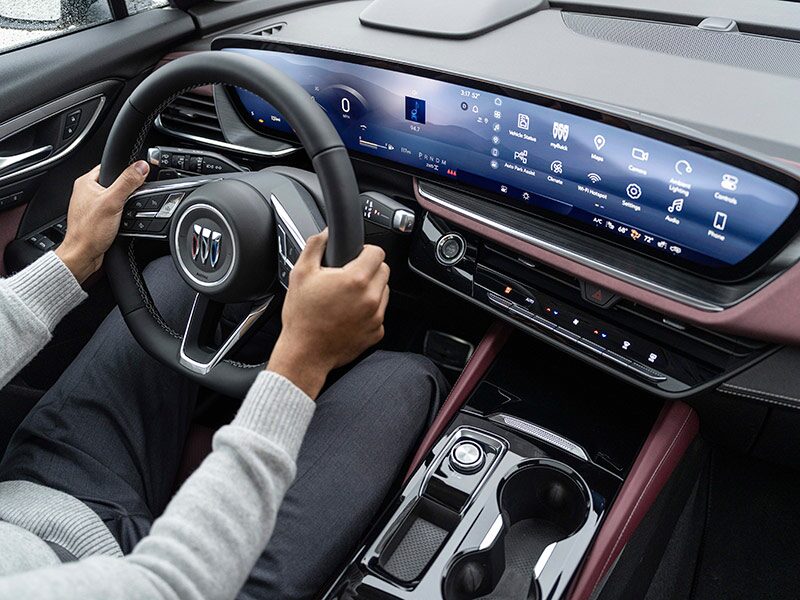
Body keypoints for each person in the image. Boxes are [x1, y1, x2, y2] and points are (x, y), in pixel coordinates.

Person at [0, 161, 447, 599]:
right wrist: (301, 361)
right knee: (403, 377)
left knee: (172, 280)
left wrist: (75, 254)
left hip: (29, 509)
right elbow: (177, 585)